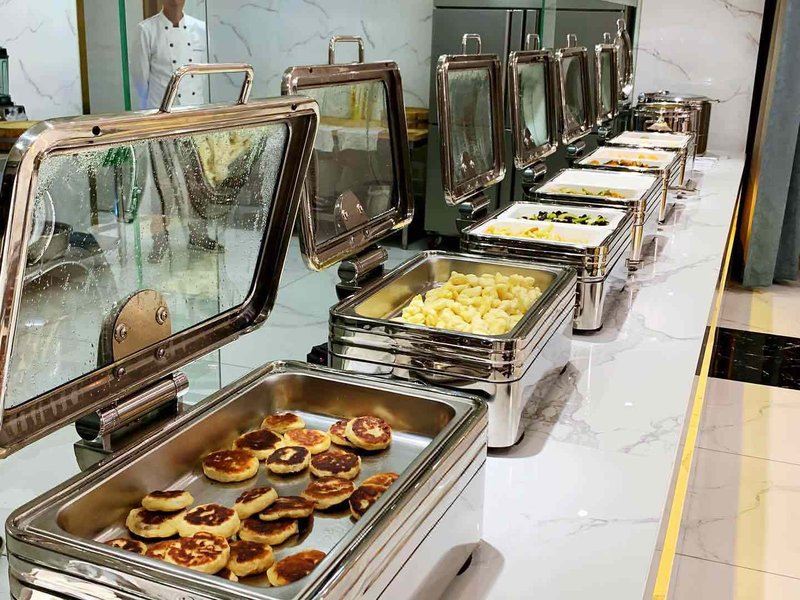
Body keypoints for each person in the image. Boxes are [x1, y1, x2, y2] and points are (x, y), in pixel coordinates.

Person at [132, 0, 222, 261]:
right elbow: (140, 78)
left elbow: (203, 72)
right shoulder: (146, 30)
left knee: (197, 180)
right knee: (162, 184)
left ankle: (199, 235)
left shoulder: (200, 27)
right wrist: (151, 116)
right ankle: (160, 240)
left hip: (194, 116)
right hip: (163, 117)